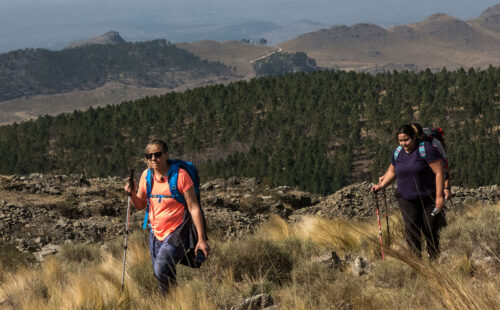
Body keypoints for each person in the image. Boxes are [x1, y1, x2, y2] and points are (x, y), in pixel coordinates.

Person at [124, 139, 209, 294]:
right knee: (161, 274)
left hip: (178, 230)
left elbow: (194, 208)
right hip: (155, 232)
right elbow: (141, 205)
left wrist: (202, 239)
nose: (153, 159)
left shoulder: (181, 176)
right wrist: (132, 193)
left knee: (161, 267)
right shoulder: (146, 176)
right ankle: (171, 302)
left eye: (157, 154)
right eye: (149, 156)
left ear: (166, 154)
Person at [371, 125, 446, 259]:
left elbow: (440, 173)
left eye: (406, 140)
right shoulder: (398, 152)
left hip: (428, 197)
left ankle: (433, 256)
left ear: (414, 137)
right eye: (400, 140)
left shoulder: (426, 150)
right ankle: (416, 260)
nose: (403, 143)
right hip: (406, 197)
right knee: (411, 229)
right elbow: (392, 172)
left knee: (429, 228)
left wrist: (440, 197)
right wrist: (381, 186)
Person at [379, 123, 452, 200]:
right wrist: (385, 176)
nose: (404, 143)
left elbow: (444, 166)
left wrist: (446, 187)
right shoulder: (402, 149)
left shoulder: (433, 143)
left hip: (431, 185)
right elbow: (395, 165)